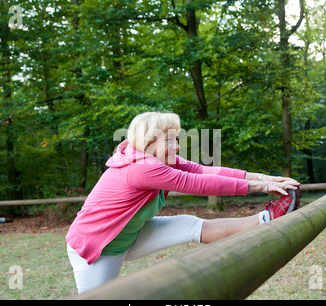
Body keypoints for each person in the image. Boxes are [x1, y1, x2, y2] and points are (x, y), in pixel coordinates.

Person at [66, 111, 301, 294]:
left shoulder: (160, 159)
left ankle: (266, 219)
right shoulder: (141, 168)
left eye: (176, 139)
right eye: (170, 140)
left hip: (129, 235)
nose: (177, 146)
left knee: (190, 225)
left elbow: (206, 171)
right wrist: (262, 187)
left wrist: (264, 178)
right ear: (150, 141)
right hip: (98, 248)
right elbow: (196, 184)